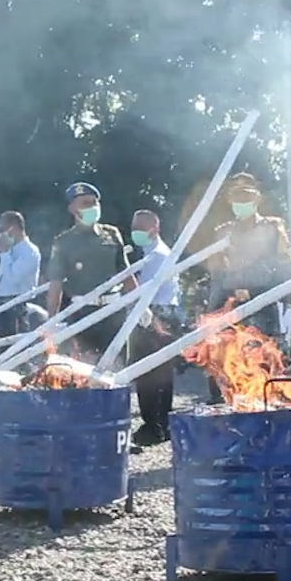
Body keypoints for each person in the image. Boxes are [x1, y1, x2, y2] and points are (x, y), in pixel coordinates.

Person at [204, 173, 291, 403]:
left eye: (246, 195)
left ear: (256, 198)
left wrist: (290, 305)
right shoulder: (223, 231)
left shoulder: (273, 227)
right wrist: (212, 314)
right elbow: (217, 274)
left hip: (263, 304)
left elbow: (285, 268)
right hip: (230, 307)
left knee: (263, 367)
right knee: (225, 370)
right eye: (236, 195)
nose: (241, 201)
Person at [46, 182, 137, 362]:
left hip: (113, 311)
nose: (92, 207)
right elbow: (56, 285)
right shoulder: (64, 242)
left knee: (117, 367)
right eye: (85, 203)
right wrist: (51, 321)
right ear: (72, 208)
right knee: (84, 368)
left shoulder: (111, 234)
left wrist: (140, 305)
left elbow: (126, 273)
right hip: (82, 313)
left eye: (95, 202)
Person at [128, 210, 182, 450]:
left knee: (151, 374)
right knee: (157, 373)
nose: (136, 232)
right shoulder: (150, 253)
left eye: (140, 227)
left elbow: (142, 289)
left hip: (156, 314)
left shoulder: (157, 255)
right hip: (158, 313)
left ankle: (155, 426)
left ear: (154, 228)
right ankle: (160, 423)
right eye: (134, 227)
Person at [0, 212, 41, 345]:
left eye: (2, 229)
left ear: (14, 227)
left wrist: (5, 253)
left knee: (12, 347)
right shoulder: (10, 249)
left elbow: (13, 279)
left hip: (15, 307)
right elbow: (4, 282)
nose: (0, 234)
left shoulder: (29, 252)